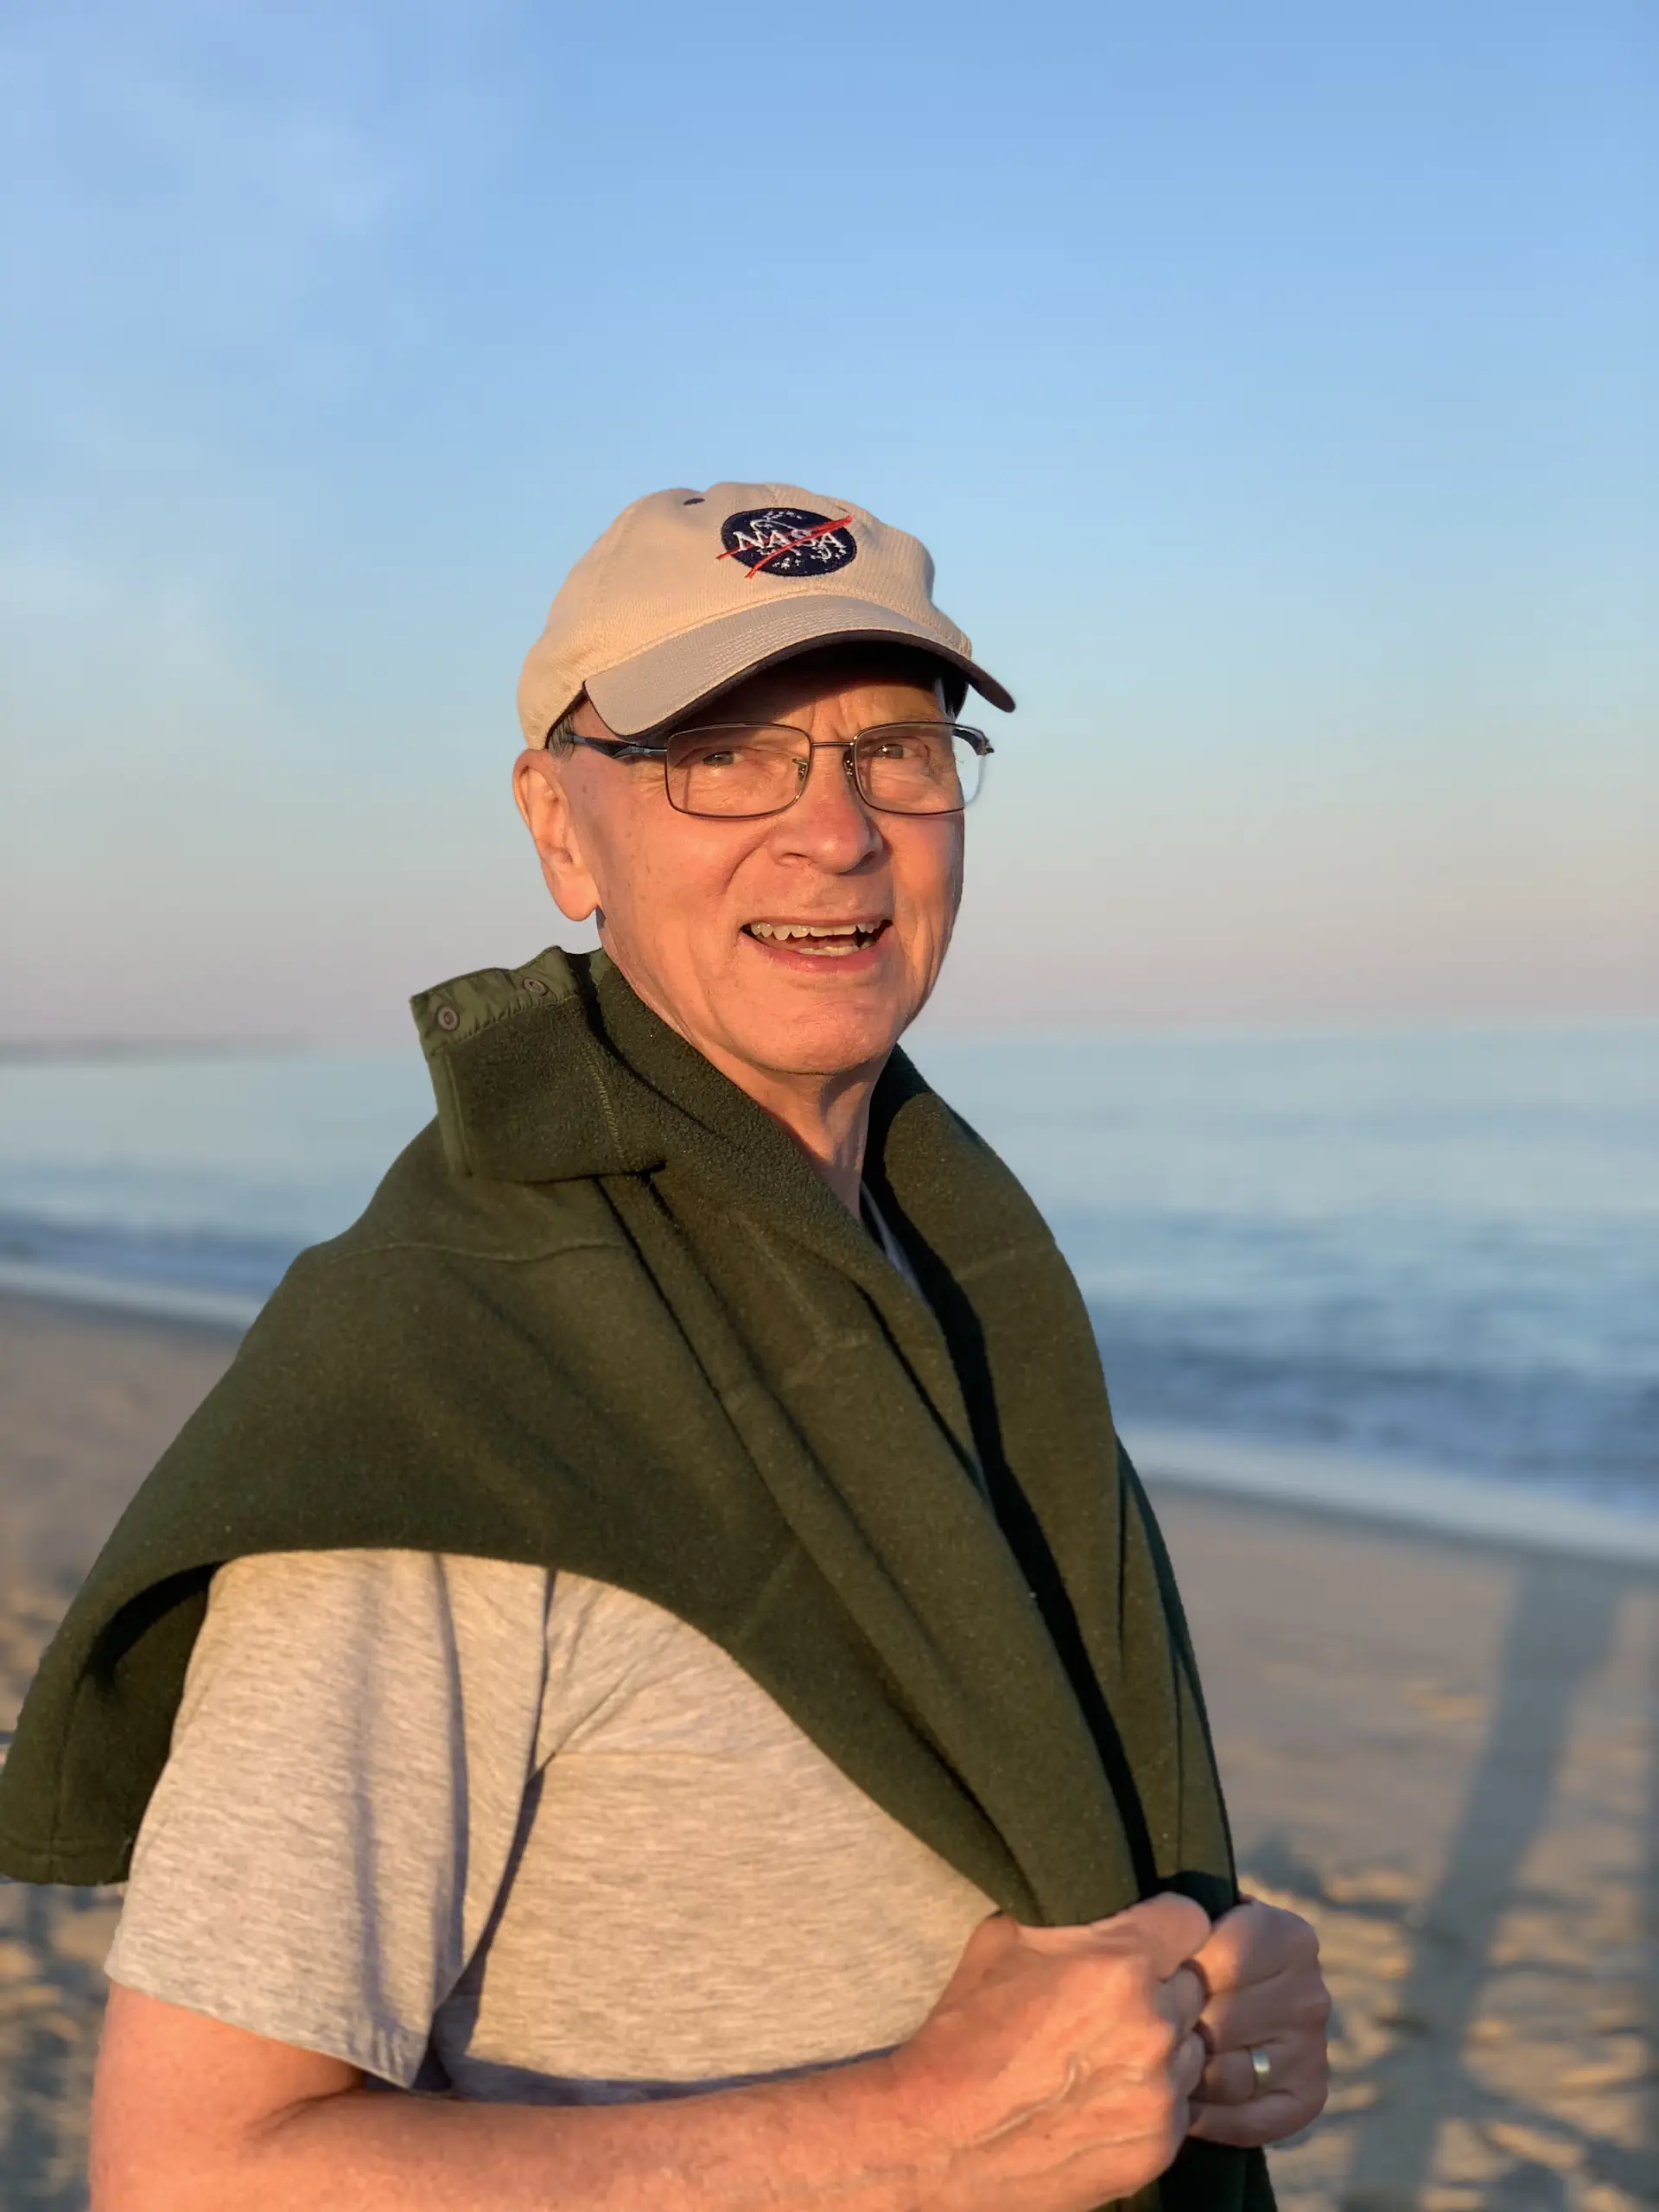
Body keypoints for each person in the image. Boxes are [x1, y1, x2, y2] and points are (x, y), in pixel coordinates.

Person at [0, 483, 1329, 2209]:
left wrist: (1187, 1986)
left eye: (898, 750)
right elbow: (192, 2169)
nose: (836, 832)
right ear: (561, 827)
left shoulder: (952, 1284)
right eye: (724, 754)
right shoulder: (464, 1374)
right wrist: (917, 2133)